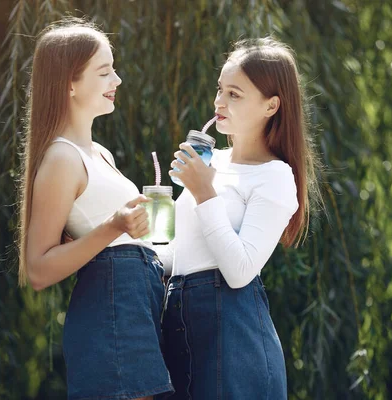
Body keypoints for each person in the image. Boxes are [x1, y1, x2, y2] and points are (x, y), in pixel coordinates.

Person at [16, 18, 172, 400]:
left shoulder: (99, 153)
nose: (117, 80)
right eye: (104, 72)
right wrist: (114, 226)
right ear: (70, 83)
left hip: (136, 302)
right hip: (113, 310)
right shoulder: (61, 158)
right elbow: (37, 269)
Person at [161, 37, 322, 399]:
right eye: (220, 90)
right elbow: (182, 251)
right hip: (180, 330)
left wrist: (205, 193)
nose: (219, 102)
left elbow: (240, 271)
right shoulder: (211, 160)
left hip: (233, 343)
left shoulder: (276, 176)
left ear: (271, 106)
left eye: (234, 94)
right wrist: (127, 239)